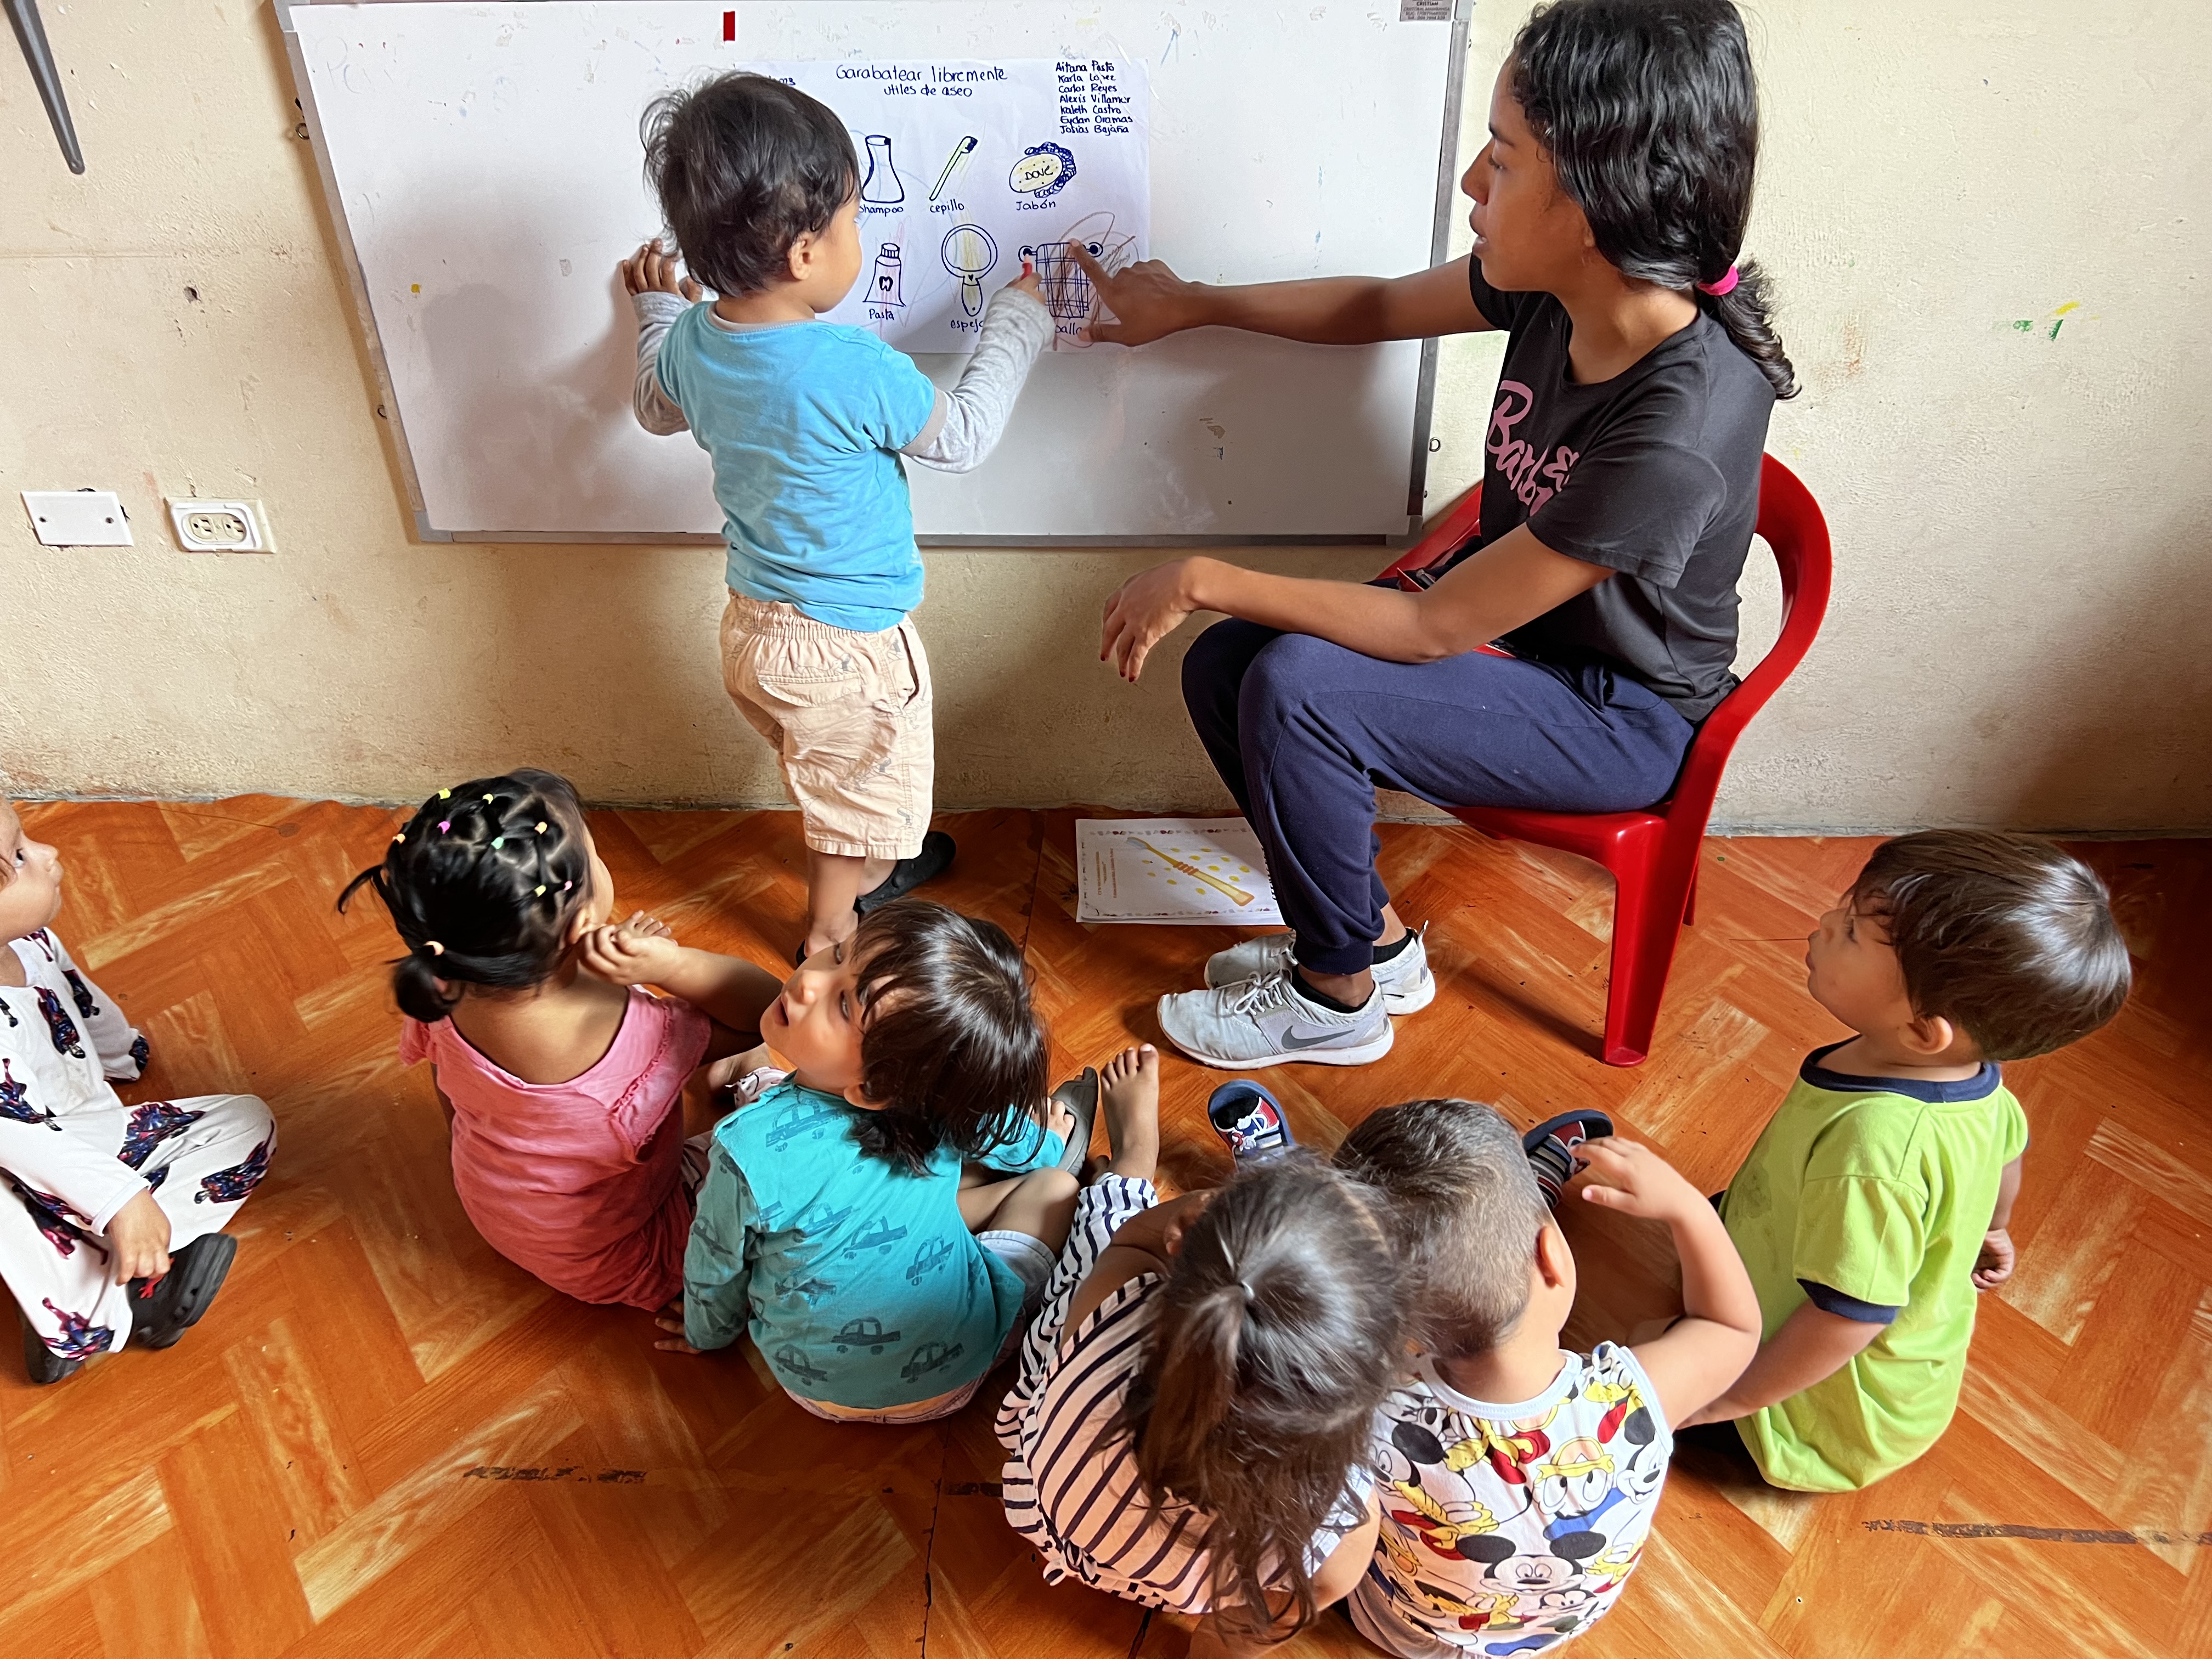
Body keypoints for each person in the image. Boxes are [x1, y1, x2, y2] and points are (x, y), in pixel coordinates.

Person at [1076, 0, 1795, 1067]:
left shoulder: (1678, 426)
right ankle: (1371, 943)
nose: (1469, 183)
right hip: (1519, 644)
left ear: (1595, 202)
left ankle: (1333, 999)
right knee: (1231, 662)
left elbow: (1435, 629)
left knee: (1298, 686)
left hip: (1618, 716)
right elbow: (1375, 307)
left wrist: (1199, 574)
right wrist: (1196, 305)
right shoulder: (1562, 288)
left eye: (1500, 160)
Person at [621, 72, 1054, 963]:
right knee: (845, 799)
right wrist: (1019, 317)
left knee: (835, 774)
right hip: (846, 648)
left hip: (754, 631)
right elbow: (963, 437)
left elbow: (652, 408)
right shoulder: (854, 365)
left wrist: (659, 309)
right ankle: (828, 933)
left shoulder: (695, 343)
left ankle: (877, 860)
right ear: (804, 254)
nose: (864, 234)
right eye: (856, 219)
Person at [1682, 831, 2132, 1491]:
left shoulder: (1875, 1147)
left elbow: (1847, 1317)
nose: (1826, 920)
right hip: (1833, 1286)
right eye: (1848, 909)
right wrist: (1994, 1227)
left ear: (1923, 1031)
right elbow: (2006, 1153)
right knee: (1704, 1226)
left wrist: (1726, 1399)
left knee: (1642, 1353)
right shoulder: (1976, 1079)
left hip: (1812, 1412)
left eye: (1853, 932)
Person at [997, 1046, 1402, 1655]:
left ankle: (1134, 1164)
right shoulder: (1340, 1530)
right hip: (1177, 1586)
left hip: (1058, 1508)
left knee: (1097, 1256)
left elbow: (1132, 1246)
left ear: (1181, 1237)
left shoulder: (1118, 1316)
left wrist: (1210, 1220)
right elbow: (1242, 1633)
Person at [338, 770, 780, 1312]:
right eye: (596, 854)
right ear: (584, 921)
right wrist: (672, 965)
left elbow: (450, 1095)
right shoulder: (634, 1037)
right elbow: (767, 1012)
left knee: (701, 1046)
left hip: (502, 1217)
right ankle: (753, 1090)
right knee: (787, 1137)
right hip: (635, 1252)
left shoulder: (442, 985)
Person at [1330, 1098, 1760, 1655]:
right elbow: (1731, 1326)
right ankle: (1515, 1207)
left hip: (1411, 1634)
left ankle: (1304, 1258)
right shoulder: (1631, 1402)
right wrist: (1689, 1209)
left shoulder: (1371, 1418)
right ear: (1553, 1253)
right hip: (1551, 1629)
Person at [652, 899, 1091, 1424]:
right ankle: (1021, 1274)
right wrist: (1046, 1144)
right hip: (958, 1371)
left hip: (817, 1391)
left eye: (844, 1006)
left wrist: (706, 1333)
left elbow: (717, 1262)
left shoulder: (745, 1150)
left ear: (875, 1088)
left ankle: (759, 1080)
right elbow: (991, 1121)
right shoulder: (935, 1091)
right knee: (1055, 1186)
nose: (808, 982)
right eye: (839, 953)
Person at [1, 799, 276, 1384]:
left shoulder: (28, 940)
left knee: (249, 1122)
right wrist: (122, 1199)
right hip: (19, 1167)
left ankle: (92, 1279)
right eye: (19, 858)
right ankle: (92, 1312)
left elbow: (77, 999)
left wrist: (121, 1053)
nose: (49, 854)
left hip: (93, 1132)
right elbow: (18, 1140)